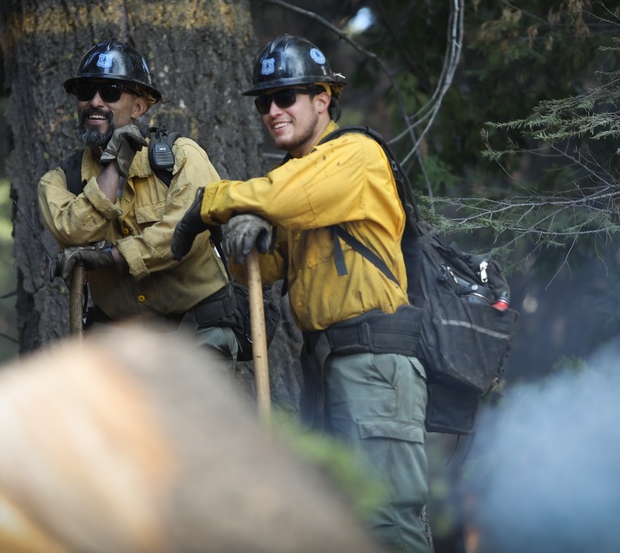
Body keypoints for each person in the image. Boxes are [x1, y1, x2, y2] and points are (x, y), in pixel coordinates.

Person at [171, 34, 433, 552]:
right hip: (329, 363)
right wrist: (246, 237)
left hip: (374, 362)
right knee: (335, 518)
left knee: (386, 519)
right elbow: (266, 269)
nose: (272, 110)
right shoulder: (295, 182)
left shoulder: (355, 154)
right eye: (265, 101)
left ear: (323, 99)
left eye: (286, 96)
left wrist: (211, 202)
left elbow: (284, 195)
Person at [38, 38, 240, 369]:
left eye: (111, 92)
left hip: (196, 329)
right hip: (119, 340)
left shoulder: (182, 157)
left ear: (139, 107)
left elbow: (182, 235)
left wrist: (110, 258)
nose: (95, 102)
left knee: (190, 419)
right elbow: (74, 233)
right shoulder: (60, 181)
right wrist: (114, 168)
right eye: (86, 91)